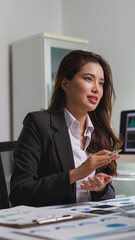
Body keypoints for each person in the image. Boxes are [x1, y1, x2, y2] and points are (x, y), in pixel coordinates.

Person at [9, 50, 122, 207]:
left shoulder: (99, 132)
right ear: (65, 84)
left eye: (101, 83)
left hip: (91, 221)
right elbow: (19, 192)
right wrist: (77, 173)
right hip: (52, 224)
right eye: (89, 79)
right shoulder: (39, 124)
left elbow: (109, 196)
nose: (96, 89)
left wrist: (100, 189)